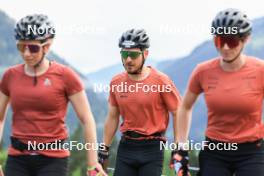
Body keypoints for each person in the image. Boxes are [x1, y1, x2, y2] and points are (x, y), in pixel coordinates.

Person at [0, 14, 106, 176]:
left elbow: (87, 119)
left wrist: (92, 164)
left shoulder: (65, 76)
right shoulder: (10, 76)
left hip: (52, 160)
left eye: (33, 48)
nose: (27, 53)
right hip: (18, 158)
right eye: (22, 47)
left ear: (47, 46)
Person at [175, 8, 264, 176]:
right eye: (219, 40)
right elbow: (185, 107)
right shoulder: (202, 71)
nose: (224, 47)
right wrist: (181, 146)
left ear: (245, 40)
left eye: (231, 42)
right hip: (215, 150)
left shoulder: (260, 70)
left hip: (251, 151)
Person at [98, 28, 182, 176]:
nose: (128, 59)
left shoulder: (161, 81)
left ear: (145, 54)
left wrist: (178, 147)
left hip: (153, 148)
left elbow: (178, 112)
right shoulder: (117, 82)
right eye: (124, 54)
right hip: (126, 146)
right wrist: (104, 148)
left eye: (133, 55)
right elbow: (112, 116)